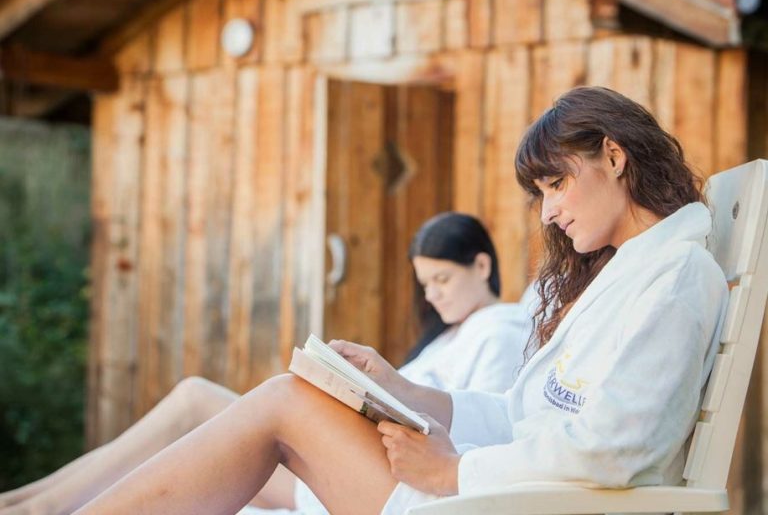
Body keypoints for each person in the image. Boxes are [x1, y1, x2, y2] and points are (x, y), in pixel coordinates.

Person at [69, 85, 728, 515]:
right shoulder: (629, 277)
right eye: (543, 195)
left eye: (557, 184)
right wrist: (402, 393)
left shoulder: (674, 280)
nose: (550, 213)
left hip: (511, 505)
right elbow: (521, 416)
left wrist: (452, 471)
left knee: (283, 404)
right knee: (297, 401)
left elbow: (613, 451)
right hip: (509, 494)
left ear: (613, 156)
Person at [0, 212, 532, 515]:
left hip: (367, 471)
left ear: (481, 264)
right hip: (360, 454)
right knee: (195, 405)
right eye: (425, 285)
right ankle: (30, 501)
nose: (433, 296)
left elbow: (473, 439)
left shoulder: (501, 329)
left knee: (198, 401)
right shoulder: (447, 339)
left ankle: (38, 509)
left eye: (442, 280)